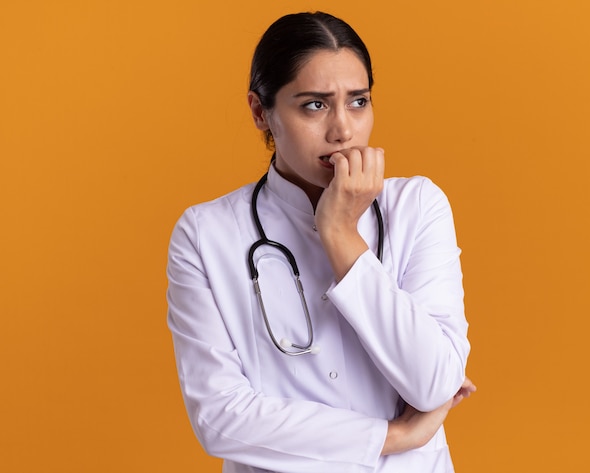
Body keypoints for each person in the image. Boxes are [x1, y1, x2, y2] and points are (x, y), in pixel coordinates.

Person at [167, 11, 475, 473]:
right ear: (260, 112)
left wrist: (340, 234)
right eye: (314, 105)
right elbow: (220, 418)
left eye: (358, 101)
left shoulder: (418, 208)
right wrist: (394, 437)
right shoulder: (205, 235)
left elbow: (432, 383)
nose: (343, 130)